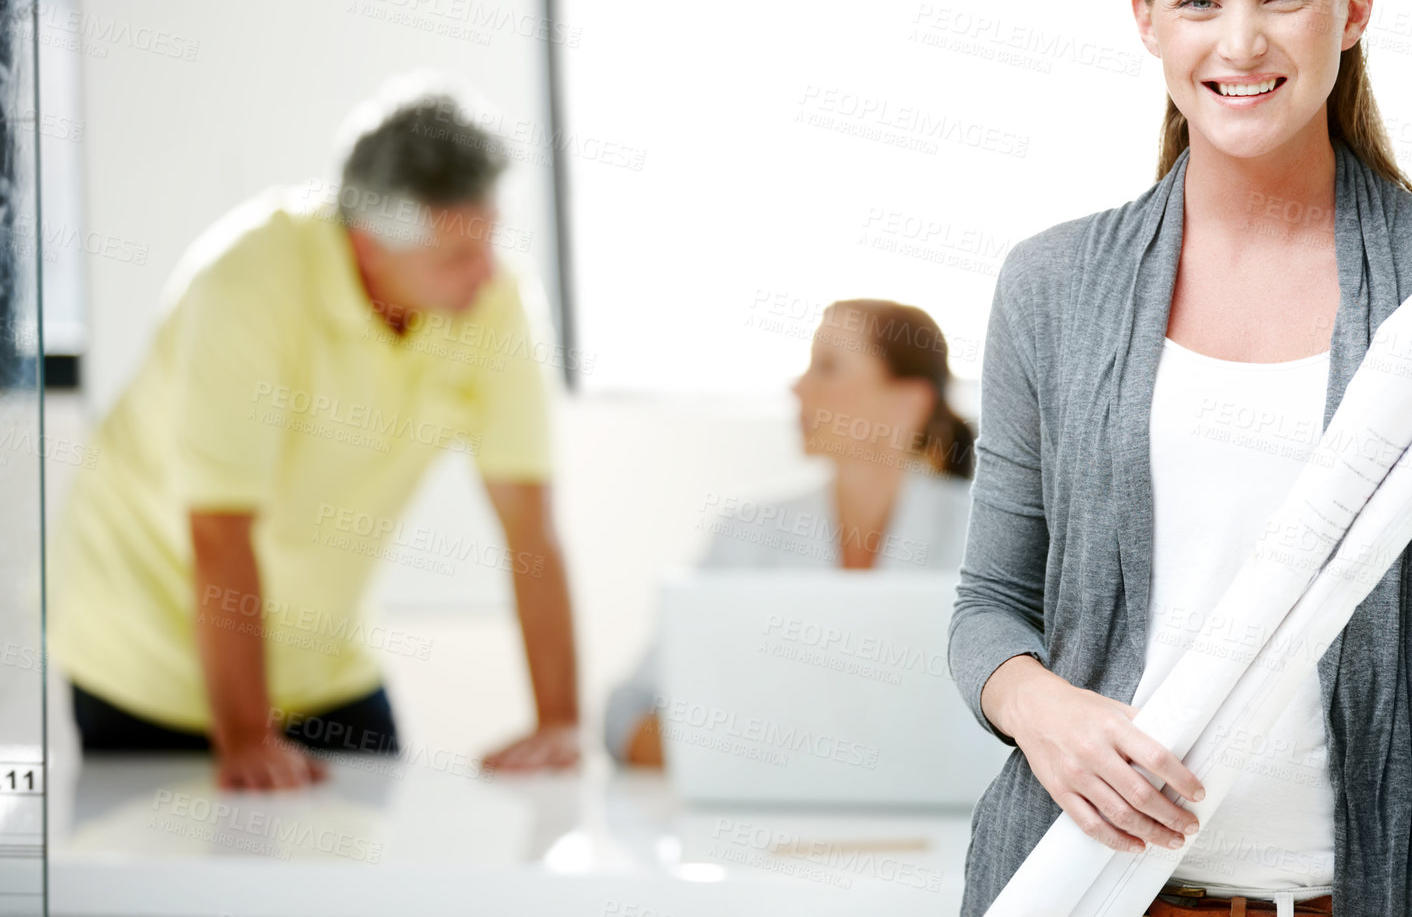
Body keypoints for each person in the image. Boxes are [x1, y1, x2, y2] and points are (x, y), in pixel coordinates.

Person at [948, 0, 1412, 917]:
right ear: (1147, 22)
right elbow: (987, 609)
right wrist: (1042, 710)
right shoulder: (1050, 286)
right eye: (1199, 1)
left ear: (1356, 7)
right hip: (1087, 889)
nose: (1240, 42)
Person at [47, 80, 581, 789]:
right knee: (200, 886)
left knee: (368, 886)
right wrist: (244, 736)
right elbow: (219, 531)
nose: (486, 275)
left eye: (490, 241)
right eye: (456, 257)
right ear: (369, 246)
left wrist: (559, 723)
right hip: (152, 655)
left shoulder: (494, 299)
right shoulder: (246, 284)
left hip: (323, 661)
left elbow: (528, 524)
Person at [604, 298, 975, 766]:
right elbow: (627, 715)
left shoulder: (984, 536)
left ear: (909, 402)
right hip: (768, 831)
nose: (798, 388)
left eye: (828, 367)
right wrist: (764, 754)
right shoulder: (746, 534)